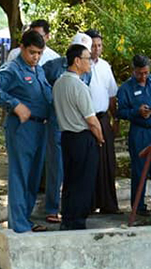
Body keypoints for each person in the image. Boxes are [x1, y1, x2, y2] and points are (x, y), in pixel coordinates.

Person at [0, 30, 53, 233]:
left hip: (41, 127)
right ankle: (18, 224)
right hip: (22, 129)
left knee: (33, 177)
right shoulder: (12, 69)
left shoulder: (38, 70)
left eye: (40, 53)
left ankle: (25, 219)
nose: (36, 57)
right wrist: (14, 105)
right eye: (32, 52)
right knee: (20, 175)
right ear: (21, 48)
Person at [41, 32, 93, 224]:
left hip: (80, 123)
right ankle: (53, 207)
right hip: (58, 120)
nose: (89, 59)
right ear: (76, 57)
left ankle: (74, 211)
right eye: (85, 55)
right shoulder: (53, 65)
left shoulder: (89, 70)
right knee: (57, 164)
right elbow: (42, 85)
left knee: (76, 170)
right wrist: (50, 105)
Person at [53, 44, 105, 230]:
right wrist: (100, 138)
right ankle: (77, 221)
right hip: (82, 137)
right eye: (87, 58)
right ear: (77, 61)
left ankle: (67, 218)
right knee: (84, 181)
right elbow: (91, 120)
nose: (90, 62)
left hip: (66, 137)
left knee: (70, 180)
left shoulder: (58, 83)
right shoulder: (79, 86)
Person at [116, 54, 151, 213]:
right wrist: (137, 112)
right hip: (139, 132)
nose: (143, 76)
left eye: (146, 72)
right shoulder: (126, 88)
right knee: (139, 169)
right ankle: (138, 205)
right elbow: (121, 112)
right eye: (140, 73)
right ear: (134, 71)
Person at [85, 29, 120, 214]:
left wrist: (116, 120)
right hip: (86, 120)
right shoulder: (81, 65)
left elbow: (112, 95)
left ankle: (108, 204)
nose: (96, 49)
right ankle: (88, 204)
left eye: (99, 45)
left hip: (104, 117)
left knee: (108, 162)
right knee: (89, 162)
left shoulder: (105, 66)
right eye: (93, 45)